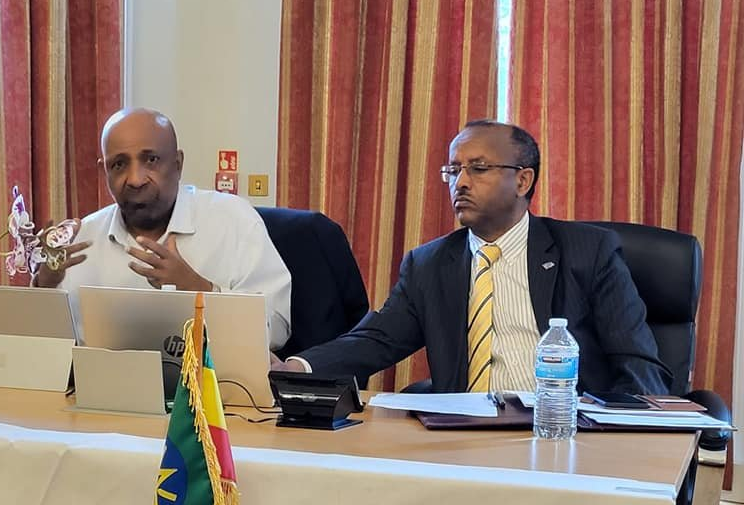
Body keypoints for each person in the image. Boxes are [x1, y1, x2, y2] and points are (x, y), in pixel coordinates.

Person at [275, 119, 671, 395]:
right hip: (464, 437)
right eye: (453, 170)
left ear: (523, 180)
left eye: (478, 169)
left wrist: (619, 446)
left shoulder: (588, 252)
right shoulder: (429, 264)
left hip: (562, 434)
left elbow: (637, 365)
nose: (460, 182)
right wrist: (294, 367)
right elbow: (377, 339)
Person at [36, 108, 292, 350]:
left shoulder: (234, 220)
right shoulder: (80, 242)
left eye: (151, 160)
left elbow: (277, 328)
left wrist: (198, 291)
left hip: (213, 382)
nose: (136, 179)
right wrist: (45, 288)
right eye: (119, 165)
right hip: (104, 383)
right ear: (105, 172)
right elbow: (49, 350)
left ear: (178, 164)